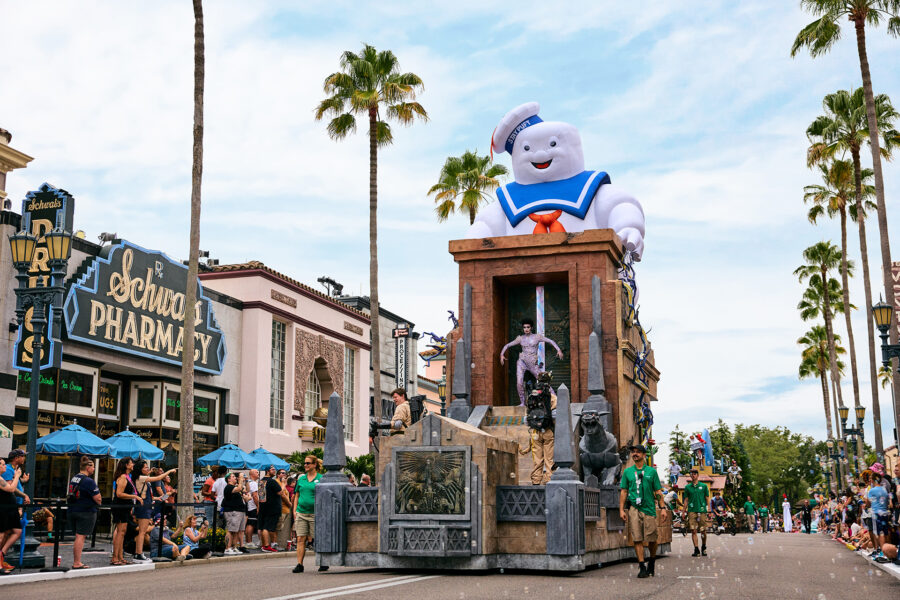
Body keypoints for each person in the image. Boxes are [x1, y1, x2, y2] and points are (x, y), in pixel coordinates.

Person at [619, 444, 665, 579]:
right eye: (633, 452)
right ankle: (642, 566)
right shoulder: (627, 472)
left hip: (649, 509)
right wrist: (621, 510)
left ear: (644, 455)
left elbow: (658, 492)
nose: (635, 454)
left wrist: (663, 508)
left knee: (652, 539)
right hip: (634, 508)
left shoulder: (651, 472)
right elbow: (624, 491)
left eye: (638, 452)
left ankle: (652, 561)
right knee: (637, 538)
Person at [499, 318, 563, 406]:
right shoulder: (520, 338)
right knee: (519, 382)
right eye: (524, 327)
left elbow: (550, 341)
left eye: (528, 327)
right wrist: (501, 355)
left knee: (542, 380)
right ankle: (522, 402)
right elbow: (507, 345)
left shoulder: (537, 337)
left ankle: (556, 399)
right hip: (522, 362)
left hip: (532, 363)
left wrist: (559, 350)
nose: (526, 329)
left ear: (531, 328)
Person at [131, 460, 176, 563]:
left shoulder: (144, 478)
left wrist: (157, 498)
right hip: (144, 507)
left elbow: (149, 495)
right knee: (142, 531)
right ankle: (138, 553)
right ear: (140, 469)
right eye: (145, 467)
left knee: (143, 531)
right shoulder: (141, 478)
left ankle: (138, 553)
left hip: (148, 505)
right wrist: (169, 471)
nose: (148, 469)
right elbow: (158, 478)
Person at [67, 456, 102, 569]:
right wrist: (99, 503)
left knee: (78, 536)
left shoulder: (74, 478)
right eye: (93, 467)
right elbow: (98, 498)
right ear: (88, 467)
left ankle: (77, 561)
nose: (94, 469)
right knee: (81, 536)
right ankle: (77, 562)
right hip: (86, 511)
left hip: (73, 509)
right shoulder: (89, 481)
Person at [292, 455, 323, 573]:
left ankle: (323, 562)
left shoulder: (321, 478)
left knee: (318, 539)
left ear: (314, 464)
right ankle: (299, 564)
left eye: (308, 463)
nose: (305, 465)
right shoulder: (301, 479)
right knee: (300, 538)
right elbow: (297, 495)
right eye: (305, 463)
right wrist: (295, 510)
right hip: (301, 512)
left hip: (316, 513)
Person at [524, 377, 556, 485]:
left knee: (537, 460)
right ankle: (549, 481)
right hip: (548, 431)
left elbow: (526, 419)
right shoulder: (552, 398)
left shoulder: (531, 397)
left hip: (535, 433)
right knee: (549, 459)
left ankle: (536, 482)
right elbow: (556, 416)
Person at [111, 457, 140, 565]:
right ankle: (115, 557)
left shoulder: (128, 476)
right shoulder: (123, 477)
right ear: (126, 465)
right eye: (131, 463)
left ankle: (120, 556)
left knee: (123, 532)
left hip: (125, 507)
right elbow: (119, 493)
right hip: (120, 506)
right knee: (120, 532)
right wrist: (134, 496)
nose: (133, 465)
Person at [0, 452, 25, 574]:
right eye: (2, 464)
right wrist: (17, 476)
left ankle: (1, 555)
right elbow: (10, 488)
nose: (4, 466)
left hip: (10, 507)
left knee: (16, 530)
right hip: (3, 508)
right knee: (2, 535)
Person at [683, 468, 710, 557]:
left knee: (703, 530)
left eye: (694, 474)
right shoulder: (687, 487)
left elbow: (707, 498)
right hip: (691, 510)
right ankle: (696, 549)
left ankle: (704, 546)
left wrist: (709, 508)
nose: (693, 475)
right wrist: (683, 512)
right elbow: (686, 500)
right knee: (693, 530)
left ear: (697, 475)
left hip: (702, 510)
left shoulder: (704, 486)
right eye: (691, 474)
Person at [220, 472, 246, 555]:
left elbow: (243, 490)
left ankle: (234, 547)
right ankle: (227, 548)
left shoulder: (234, 487)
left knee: (236, 531)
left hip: (239, 511)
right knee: (230, 530)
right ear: (229, 479)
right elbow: (239, 489)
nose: (235, 478)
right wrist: (240, 479)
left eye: (235, 476)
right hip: (232, 511)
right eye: (233, 476)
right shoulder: (228, 487)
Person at [258, 465, 282, 552]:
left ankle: (265, 545)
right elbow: (280, 492)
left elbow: (261, 496)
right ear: (268, 471)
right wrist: (283, 484)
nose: (274, 471)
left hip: (263, 507)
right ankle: (266, 546)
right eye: (273, 469)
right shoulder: (272, 481)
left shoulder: (261, 481)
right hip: (272, 508)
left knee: (263, 527)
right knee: (267, 527)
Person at [276, 468, 292, 550]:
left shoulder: (283, 483)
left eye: (285, 473)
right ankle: (277, 545)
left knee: (282, 529)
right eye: (282, 473)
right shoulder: (278, 482)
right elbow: (281, 494)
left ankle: (281, 544)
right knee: (278, 528)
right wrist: (289, 504)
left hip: (286, 509)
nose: (284, 474)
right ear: (278, 475)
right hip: (281, 508)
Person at [244, 469, 260, 549]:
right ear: (252, 474)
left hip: (248, 506)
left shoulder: (248, 482)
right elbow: (255, 495)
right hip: (252, 506)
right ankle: (249, 542)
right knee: (251, 524)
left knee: (249, 523)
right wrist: (258, 506)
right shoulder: (253, 483)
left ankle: (248, 541)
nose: (258, 473)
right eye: (257, 472)